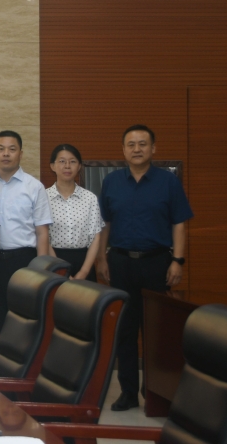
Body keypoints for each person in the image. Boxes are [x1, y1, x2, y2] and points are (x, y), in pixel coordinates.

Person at [97, 125, 192, 412]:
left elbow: (179, 223)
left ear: (153, 148)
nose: (137, 149)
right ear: (123, 150)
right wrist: (102, 259)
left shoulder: (168, 182)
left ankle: (155, 391)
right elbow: (104, 224)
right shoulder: (112, 182)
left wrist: (177, 260)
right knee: (125, 329)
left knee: (157, 331)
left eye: (142, 143)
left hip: (157, 263)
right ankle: (128, 392)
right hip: (120, 262)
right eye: (131, 144)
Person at [0, 130, 52, 334]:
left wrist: (41, 271)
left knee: (25, 321)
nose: (6, 154)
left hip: (24, 262)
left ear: (20, 153)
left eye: (12, 149)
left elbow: (42, 232)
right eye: (1, 149)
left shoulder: (34, 187)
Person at [46, 143, 104, 281]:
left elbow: (96, 237)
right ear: (52, 166)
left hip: (84, 262)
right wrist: (60, 271)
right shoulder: (43, 198)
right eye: (62, 161)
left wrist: (84, 272)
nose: (67, 166)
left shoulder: (90, 198)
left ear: (79, 166)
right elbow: (42, 238)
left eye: (72, 161)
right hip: (53, 261)